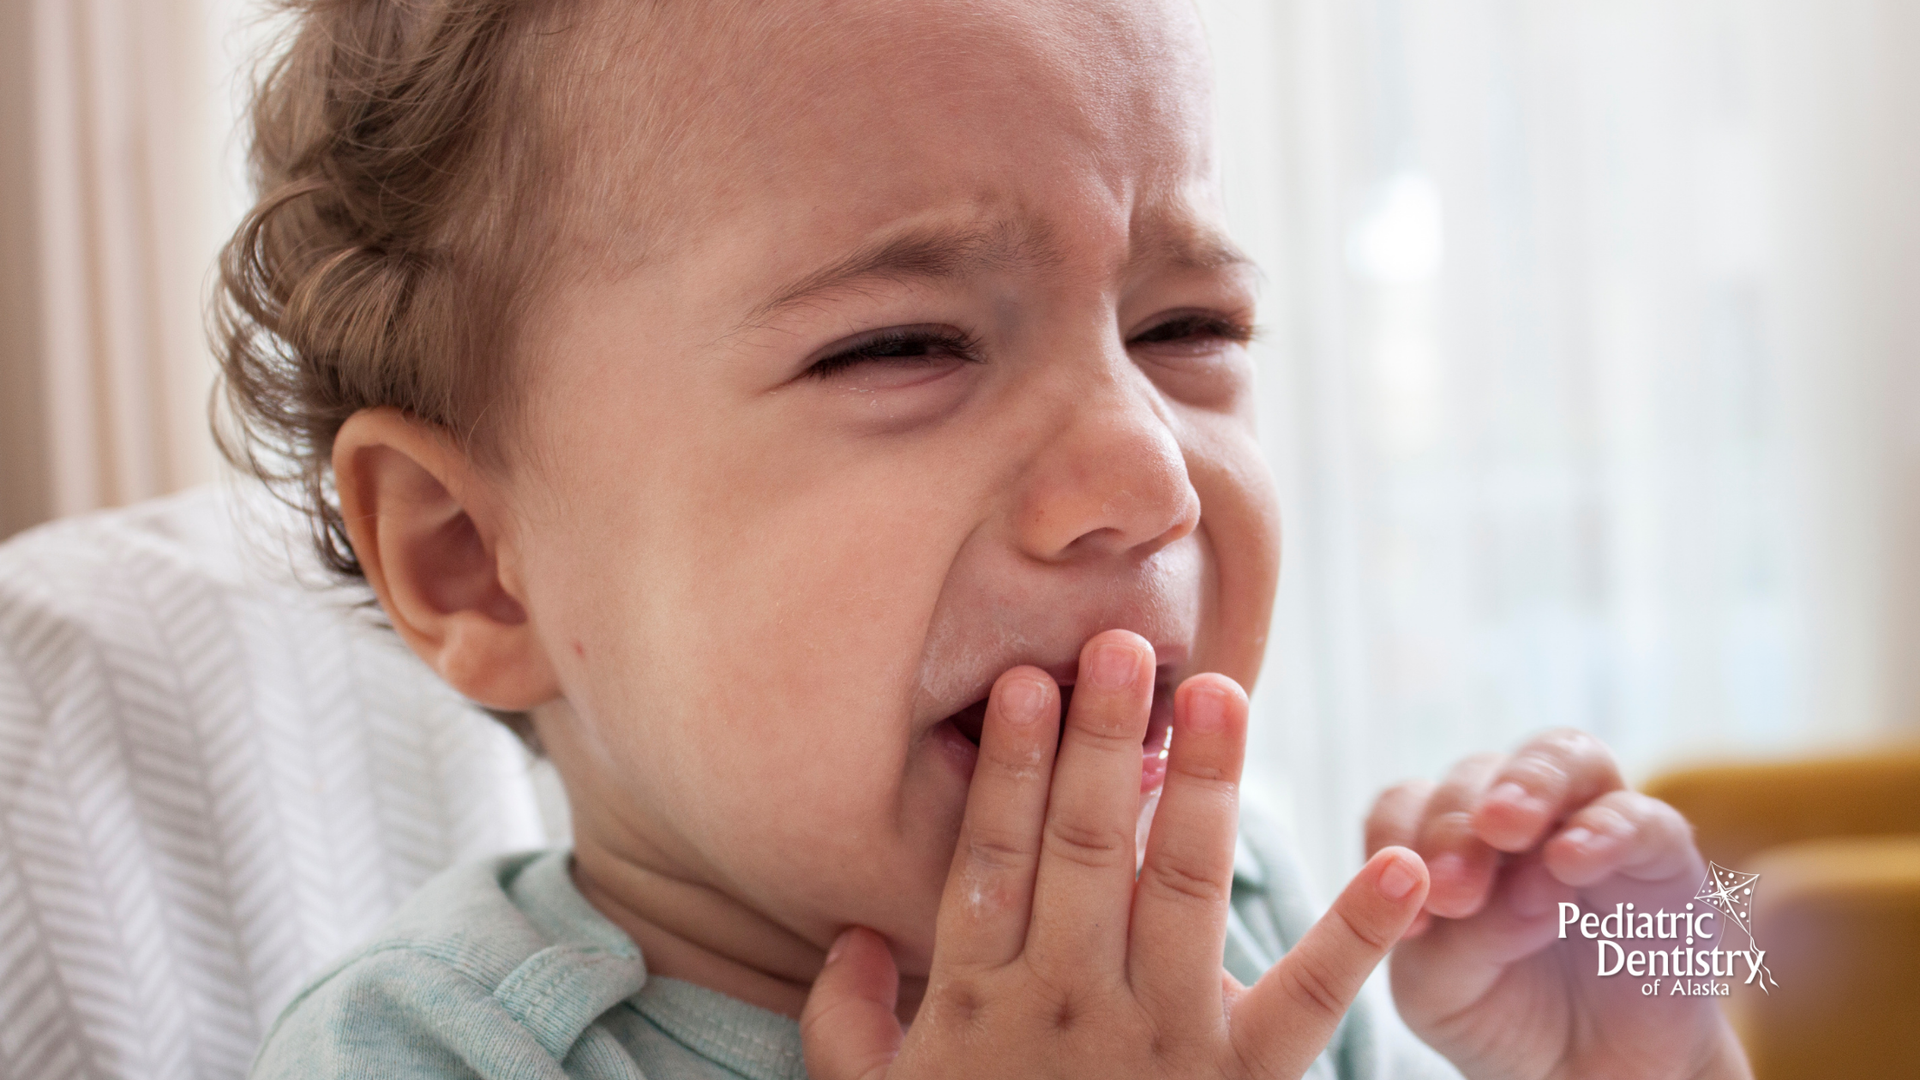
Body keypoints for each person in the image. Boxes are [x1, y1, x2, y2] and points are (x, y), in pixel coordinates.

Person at [222, 1, 1752, 1077]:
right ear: (474, 561)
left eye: (1185, 325)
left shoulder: (1245, 918)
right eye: (902, 345)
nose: (1144, 471)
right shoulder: (424, 1053)